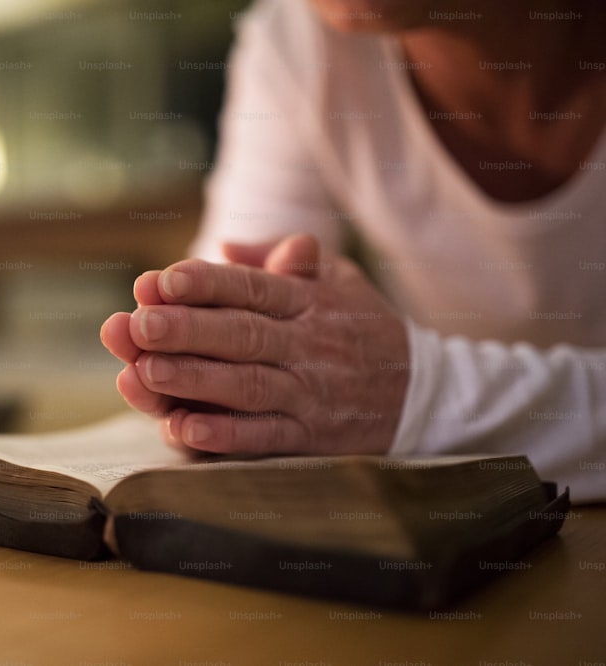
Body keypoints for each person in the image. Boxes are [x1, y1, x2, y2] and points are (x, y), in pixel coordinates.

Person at [100, 0, 606, 503]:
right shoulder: (299, 39)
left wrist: (421, 395)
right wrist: (223, 378)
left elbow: (380, 398)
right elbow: (247, 318)